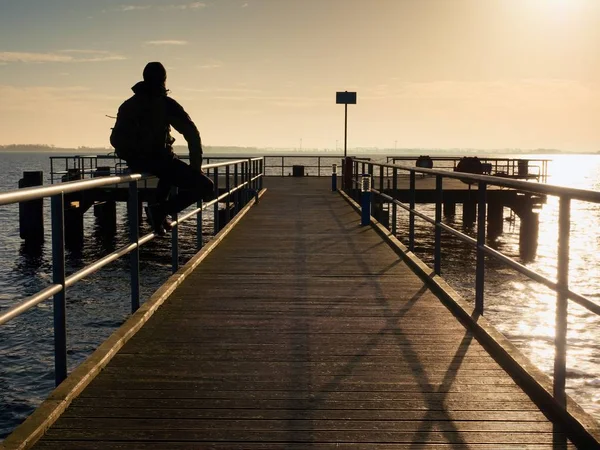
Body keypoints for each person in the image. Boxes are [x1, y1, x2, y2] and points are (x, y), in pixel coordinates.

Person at [110, 61, 214, 235]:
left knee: (169, 170)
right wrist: (196, 167)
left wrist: (133, 155)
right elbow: (192, 134)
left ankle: (157, 213)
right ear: (164, 80)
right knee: (205, 186)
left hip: (136, 161)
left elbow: (115, 139)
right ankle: (160, 210)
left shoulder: (127, 105)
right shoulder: (165, 103)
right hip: (159, 160)